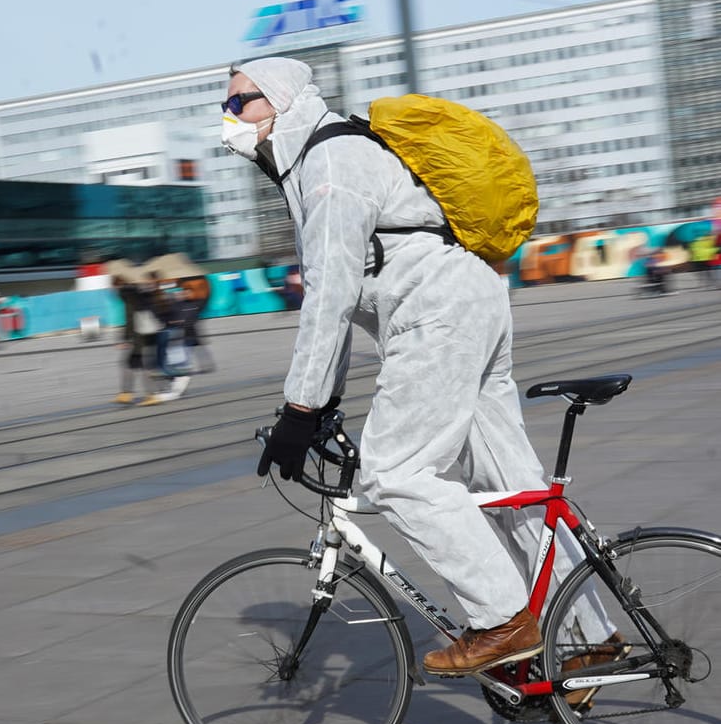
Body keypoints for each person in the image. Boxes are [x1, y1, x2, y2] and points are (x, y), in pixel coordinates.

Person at [233, 56, 615, 677]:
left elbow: (328, 297)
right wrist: (321, 402)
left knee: (395, 474)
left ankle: (502, 622)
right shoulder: (320, 162)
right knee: (507, 486)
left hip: (437, 317)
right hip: (467, 301)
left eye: (238, 103)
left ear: (282, 100)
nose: (228, 119)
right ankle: (589, 638)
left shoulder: (328, 165)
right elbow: (347, 296)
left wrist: (299, 411)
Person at [107, 259, 155, 404]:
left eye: (112, 284)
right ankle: (129, 393)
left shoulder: (129, 296)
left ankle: (149, 395)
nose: (111, 288)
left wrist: (125, 339)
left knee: (136, 364)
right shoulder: (139, 292)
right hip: (146, 334)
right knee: (136, 364)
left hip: (138, 337)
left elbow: (130, 319)